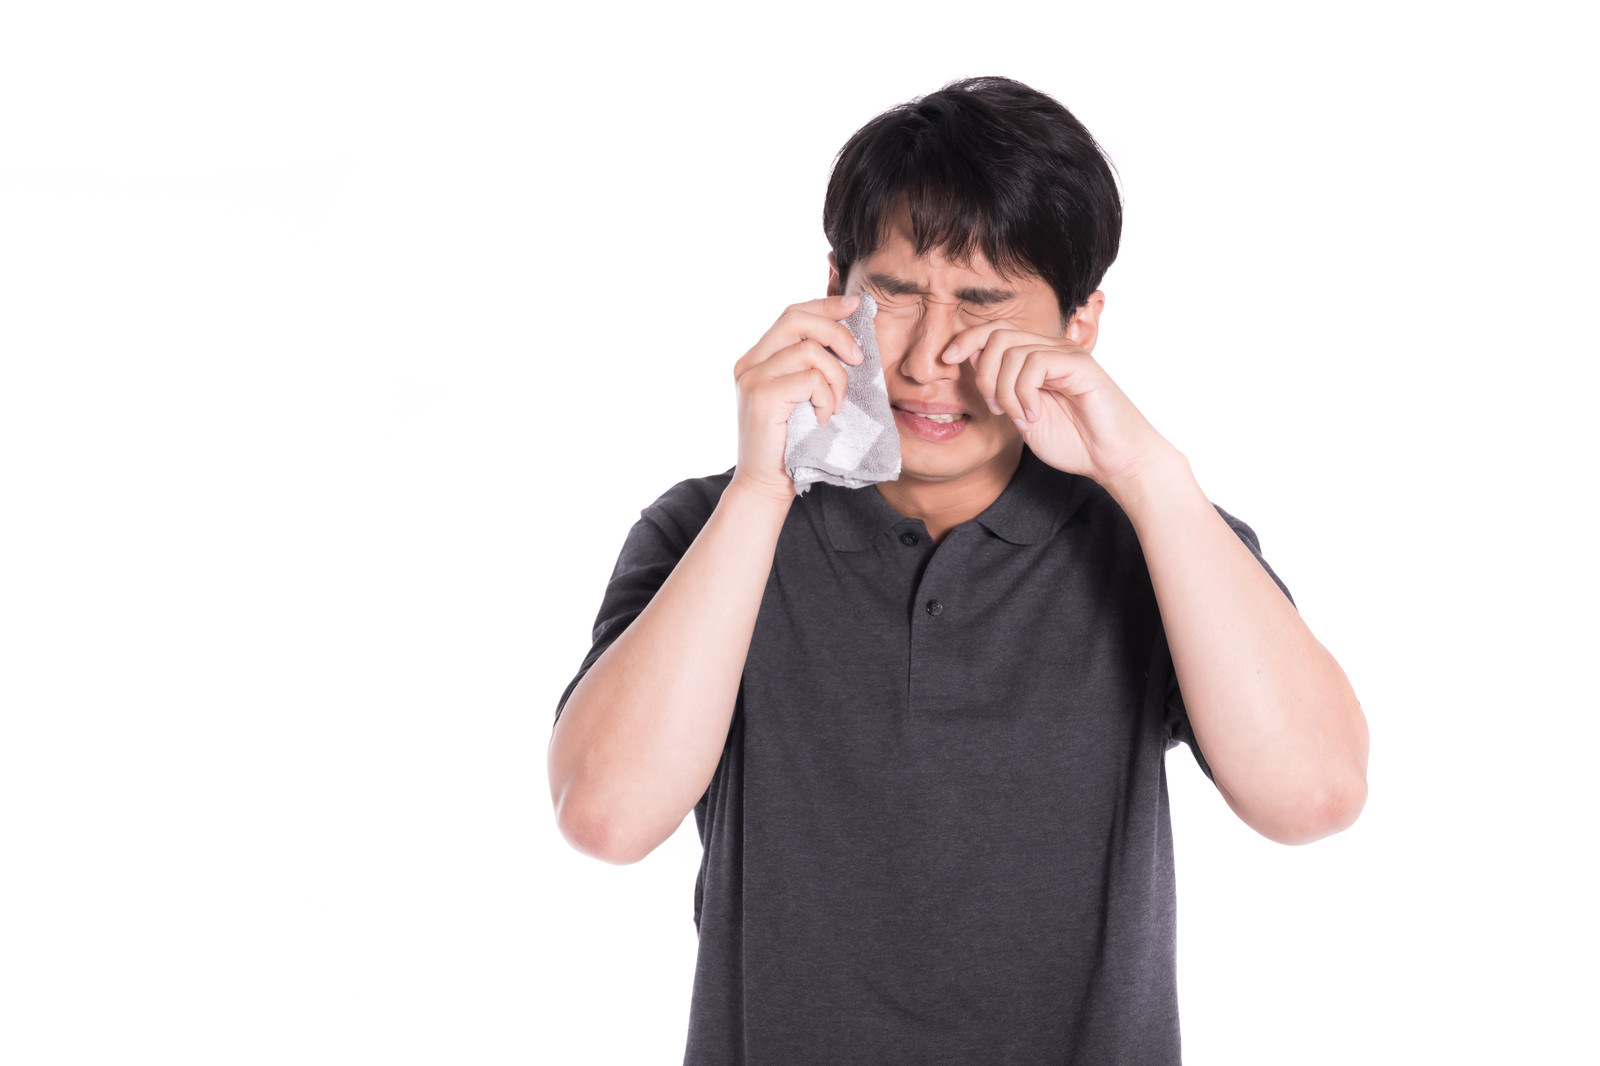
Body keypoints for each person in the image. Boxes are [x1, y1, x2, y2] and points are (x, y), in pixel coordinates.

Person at [548, 75, 1369, 1066]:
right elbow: (606, 817)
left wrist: (1149, 475)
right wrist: (764, 488)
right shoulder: (707, 529)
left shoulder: (1160, 538)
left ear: (1079, 324)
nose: (927, 358)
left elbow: (1313, 796)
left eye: (982, 305)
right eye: (893, 295)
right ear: (834, 284)